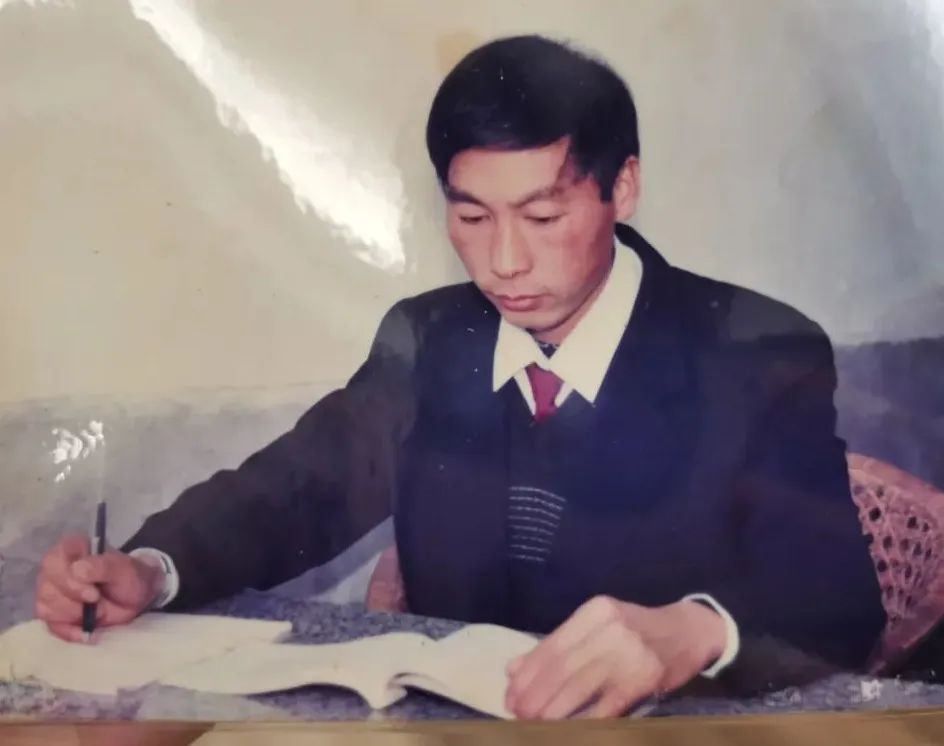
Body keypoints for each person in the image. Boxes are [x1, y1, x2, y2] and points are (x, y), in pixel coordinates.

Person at [34, 35, 884, 719]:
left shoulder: (754, 352)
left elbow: (837, 600)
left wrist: (695, 632)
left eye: (542, 215)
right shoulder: (433, 338)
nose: (503, 260)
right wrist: (152, 568)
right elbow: (296, 489)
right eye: (470, 215)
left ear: (621, 188)